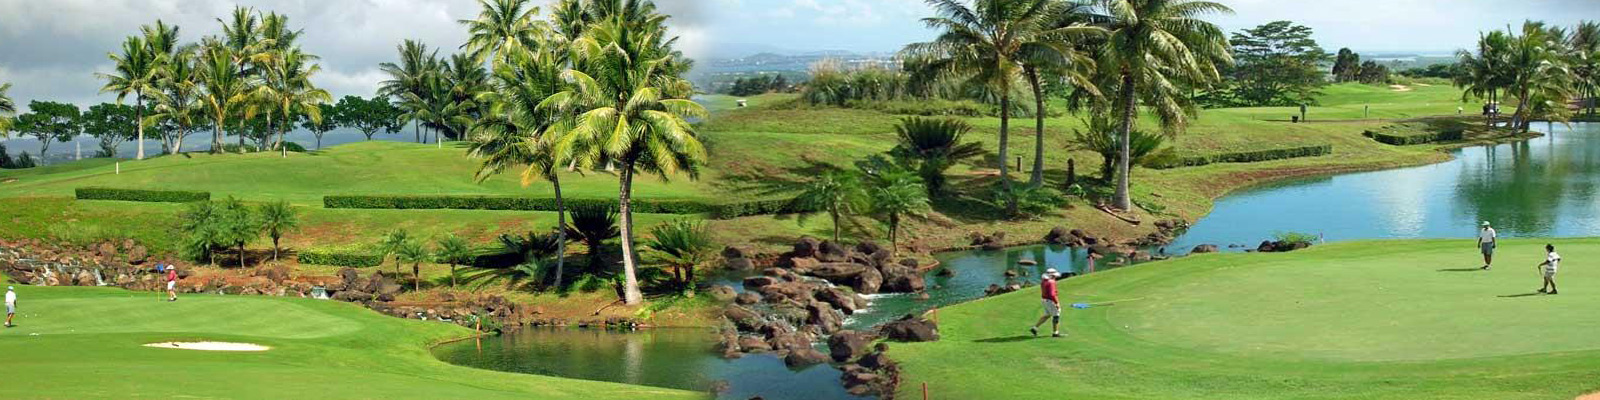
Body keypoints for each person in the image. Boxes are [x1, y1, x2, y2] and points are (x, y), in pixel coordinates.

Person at [1030, 268, 1063, 338]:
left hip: (1044, 300)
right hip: (1050, 301)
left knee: (1047, 314)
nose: (1055, 277)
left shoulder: (1044, 281)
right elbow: (1052, 294)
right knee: (1056, 316)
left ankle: (1034, 328)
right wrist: (1057, 303)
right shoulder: (1051, 282)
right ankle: (1055, 333)